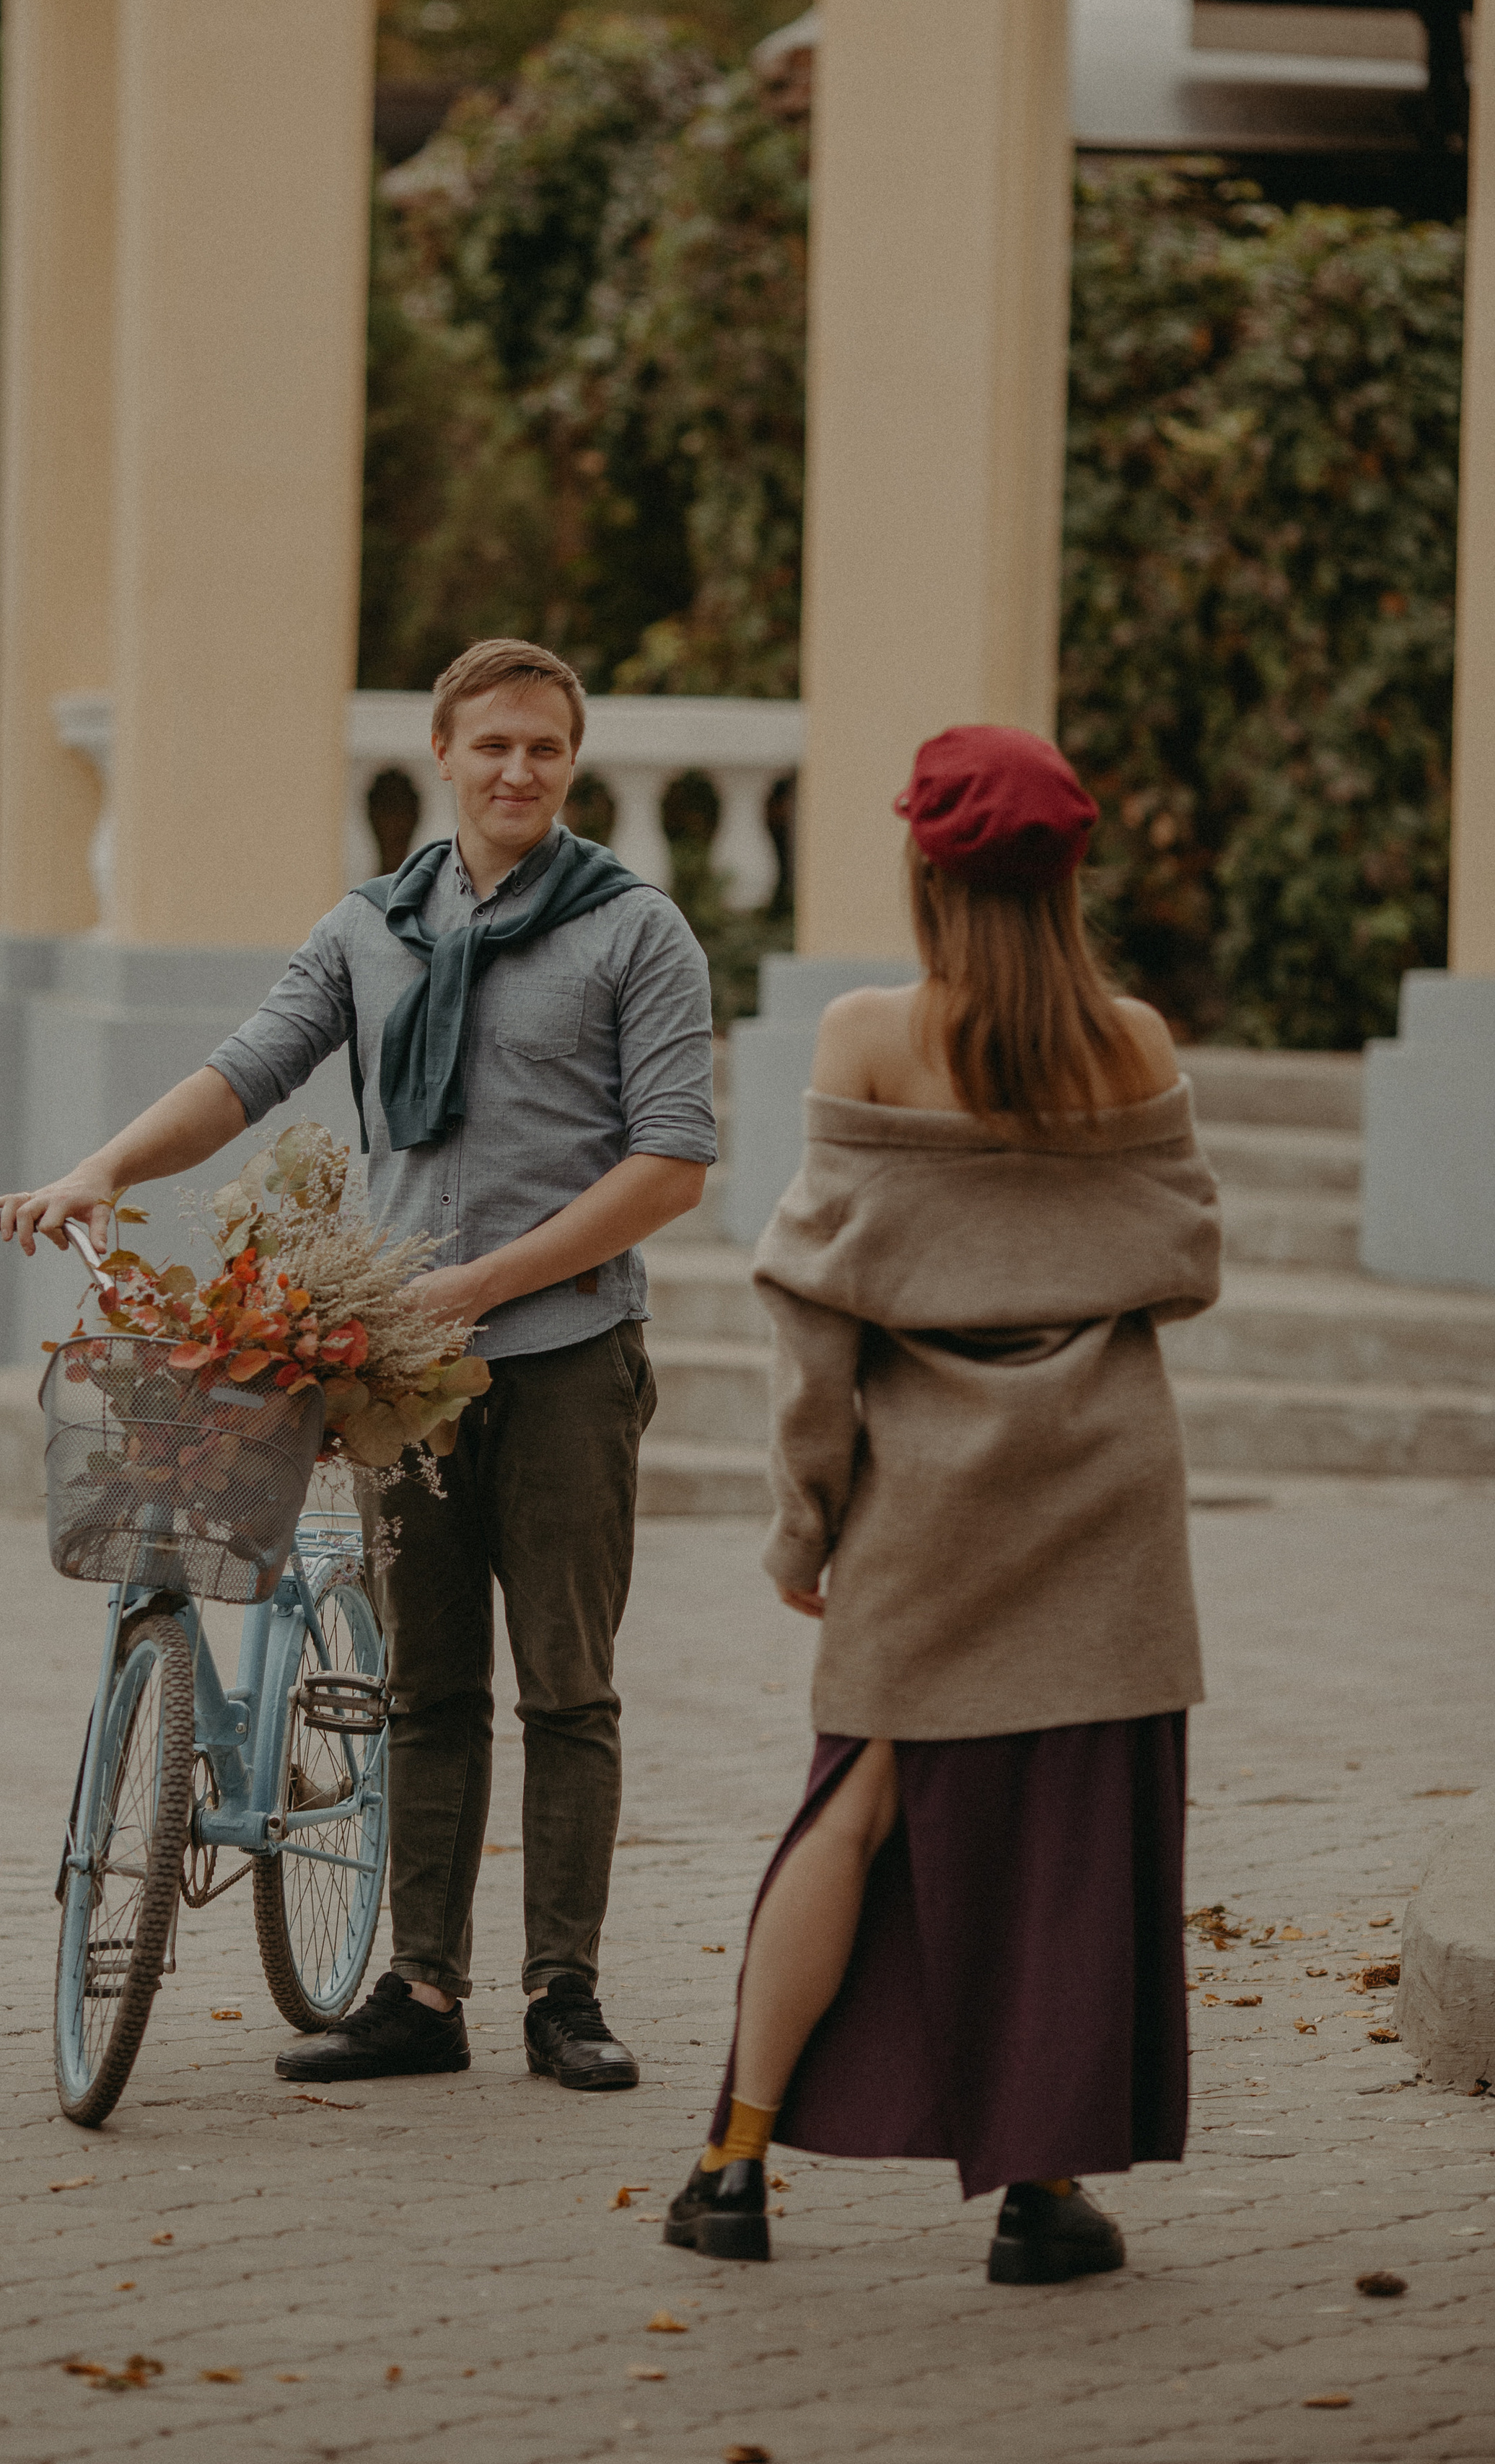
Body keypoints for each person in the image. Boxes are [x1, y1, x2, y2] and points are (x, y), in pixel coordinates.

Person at [0, 639, 717, 2090]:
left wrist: (478, 1284)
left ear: (566, 766)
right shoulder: (370, 926)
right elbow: (244, 1071)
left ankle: (562, 1997)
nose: (517, 771)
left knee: (565, 1684)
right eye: (491, 746)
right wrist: (101, 1165)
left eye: (543, 749)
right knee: (424, 1685)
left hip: (569, 1353)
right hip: (404, 1380)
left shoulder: (637, 931)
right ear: (440, 757)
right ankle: (425, 1991)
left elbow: (669, 1167)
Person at [662, 723, 1222, 2281]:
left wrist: (803, 1521)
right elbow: (1183, 1262)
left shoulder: (863, 1038)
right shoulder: (1133, 1044)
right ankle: (1037, 2197)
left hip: (923, 1498)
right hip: (1103, 1492)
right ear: (1069, 874)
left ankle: (733, 2168)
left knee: (853, 1804)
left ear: (922, 865)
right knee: (1069, 1833)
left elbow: (815, 1320)